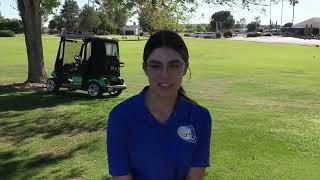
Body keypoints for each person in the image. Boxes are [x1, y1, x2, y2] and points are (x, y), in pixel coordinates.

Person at [107, 30, 212, 180]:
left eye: (173, 65)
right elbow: (121, 176)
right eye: (156, 66)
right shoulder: (121, 116)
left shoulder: (200, 117)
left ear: (185, 68)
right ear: (145, 68)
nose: (164, 74)